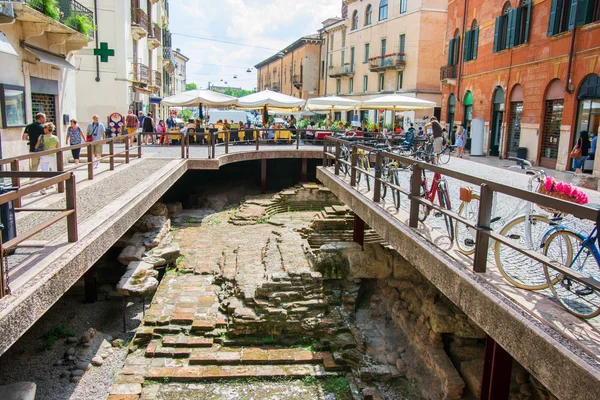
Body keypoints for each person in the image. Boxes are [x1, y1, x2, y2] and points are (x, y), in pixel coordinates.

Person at [36, 122, 60, 194]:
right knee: (55, 171)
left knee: (44, 172)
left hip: (44, 156)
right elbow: (57, 148)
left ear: (47, 129)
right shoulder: (55, 138)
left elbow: (37, 146)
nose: (43, 129)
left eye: (44, 128)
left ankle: (43, 189)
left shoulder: (41, 137)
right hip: (53, 156)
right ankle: (58, 186)